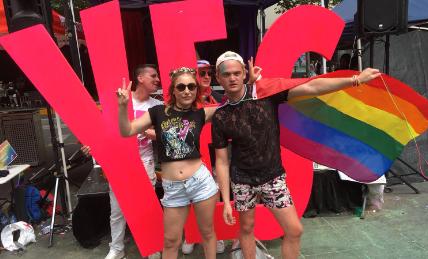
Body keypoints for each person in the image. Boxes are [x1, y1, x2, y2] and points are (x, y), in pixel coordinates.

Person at [212, 51, 381, 259]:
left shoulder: (265, 91)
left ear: (244, 73)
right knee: (246, 229)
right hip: (242, 180)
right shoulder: (221, 115)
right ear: (218, 78)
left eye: (236, 73)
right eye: (226, 74)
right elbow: (221, 161)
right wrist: (226, 201)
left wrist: (355, 80)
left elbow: (310, 87)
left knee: (294, 230)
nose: (232, 78)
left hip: (272, 176)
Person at [118, 67, 219, 259]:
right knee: (171, 241)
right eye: (181, 87)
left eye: (191, 86)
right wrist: (123, 107)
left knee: (207, 233)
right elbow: (127, 131)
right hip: (173, 187)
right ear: (173, 90)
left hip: (200, 182)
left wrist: (250, 83)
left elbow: (234, 103)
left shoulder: (201, 114)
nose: (187, 91)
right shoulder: (157, 112)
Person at [105, 64, 163, 259]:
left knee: (147, 207)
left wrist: (144, 131)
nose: (157, 80)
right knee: (117, 209)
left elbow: (164, 135)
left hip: (144, 161)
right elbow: (108, 131)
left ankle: (152, 245)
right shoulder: (122, 100)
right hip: (120, 162)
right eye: (153, 76)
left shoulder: (156, 106)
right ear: (140, 78)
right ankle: (117, 249)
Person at [181, 60, 225, 255]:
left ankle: (218, 235)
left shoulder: (219, 97)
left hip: (217, 157)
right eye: (202, 73)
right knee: (189, 198)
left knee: (214, 198)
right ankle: (192, 235)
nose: (206, 77)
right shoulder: (184, 102)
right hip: (193, 160)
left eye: (209, 73)